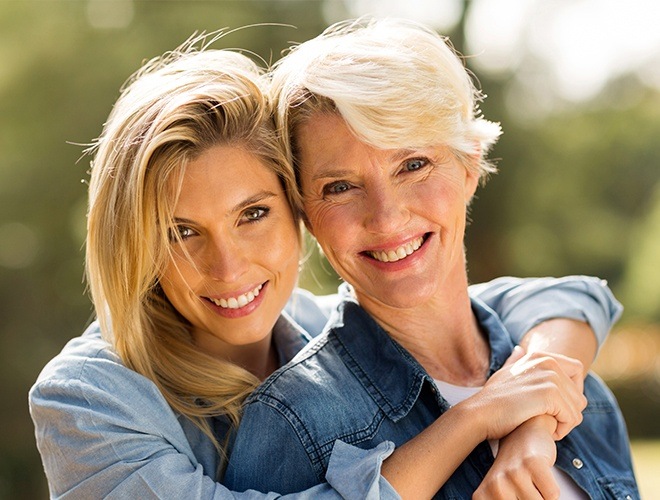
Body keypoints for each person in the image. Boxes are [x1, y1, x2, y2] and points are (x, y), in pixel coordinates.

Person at [29, 32, 621, 500]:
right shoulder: (91, 398)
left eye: (253, 213)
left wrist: (535, 415)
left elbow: (560, 296)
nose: (229, 265)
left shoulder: (316, 320)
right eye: (181, 232)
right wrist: (477, 417)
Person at [223, 18, 640, 499]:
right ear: (305, 214)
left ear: (468, 165)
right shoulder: (291, 422)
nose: (385, 217)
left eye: (413, 164)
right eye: (339, 187)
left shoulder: (577, 388)